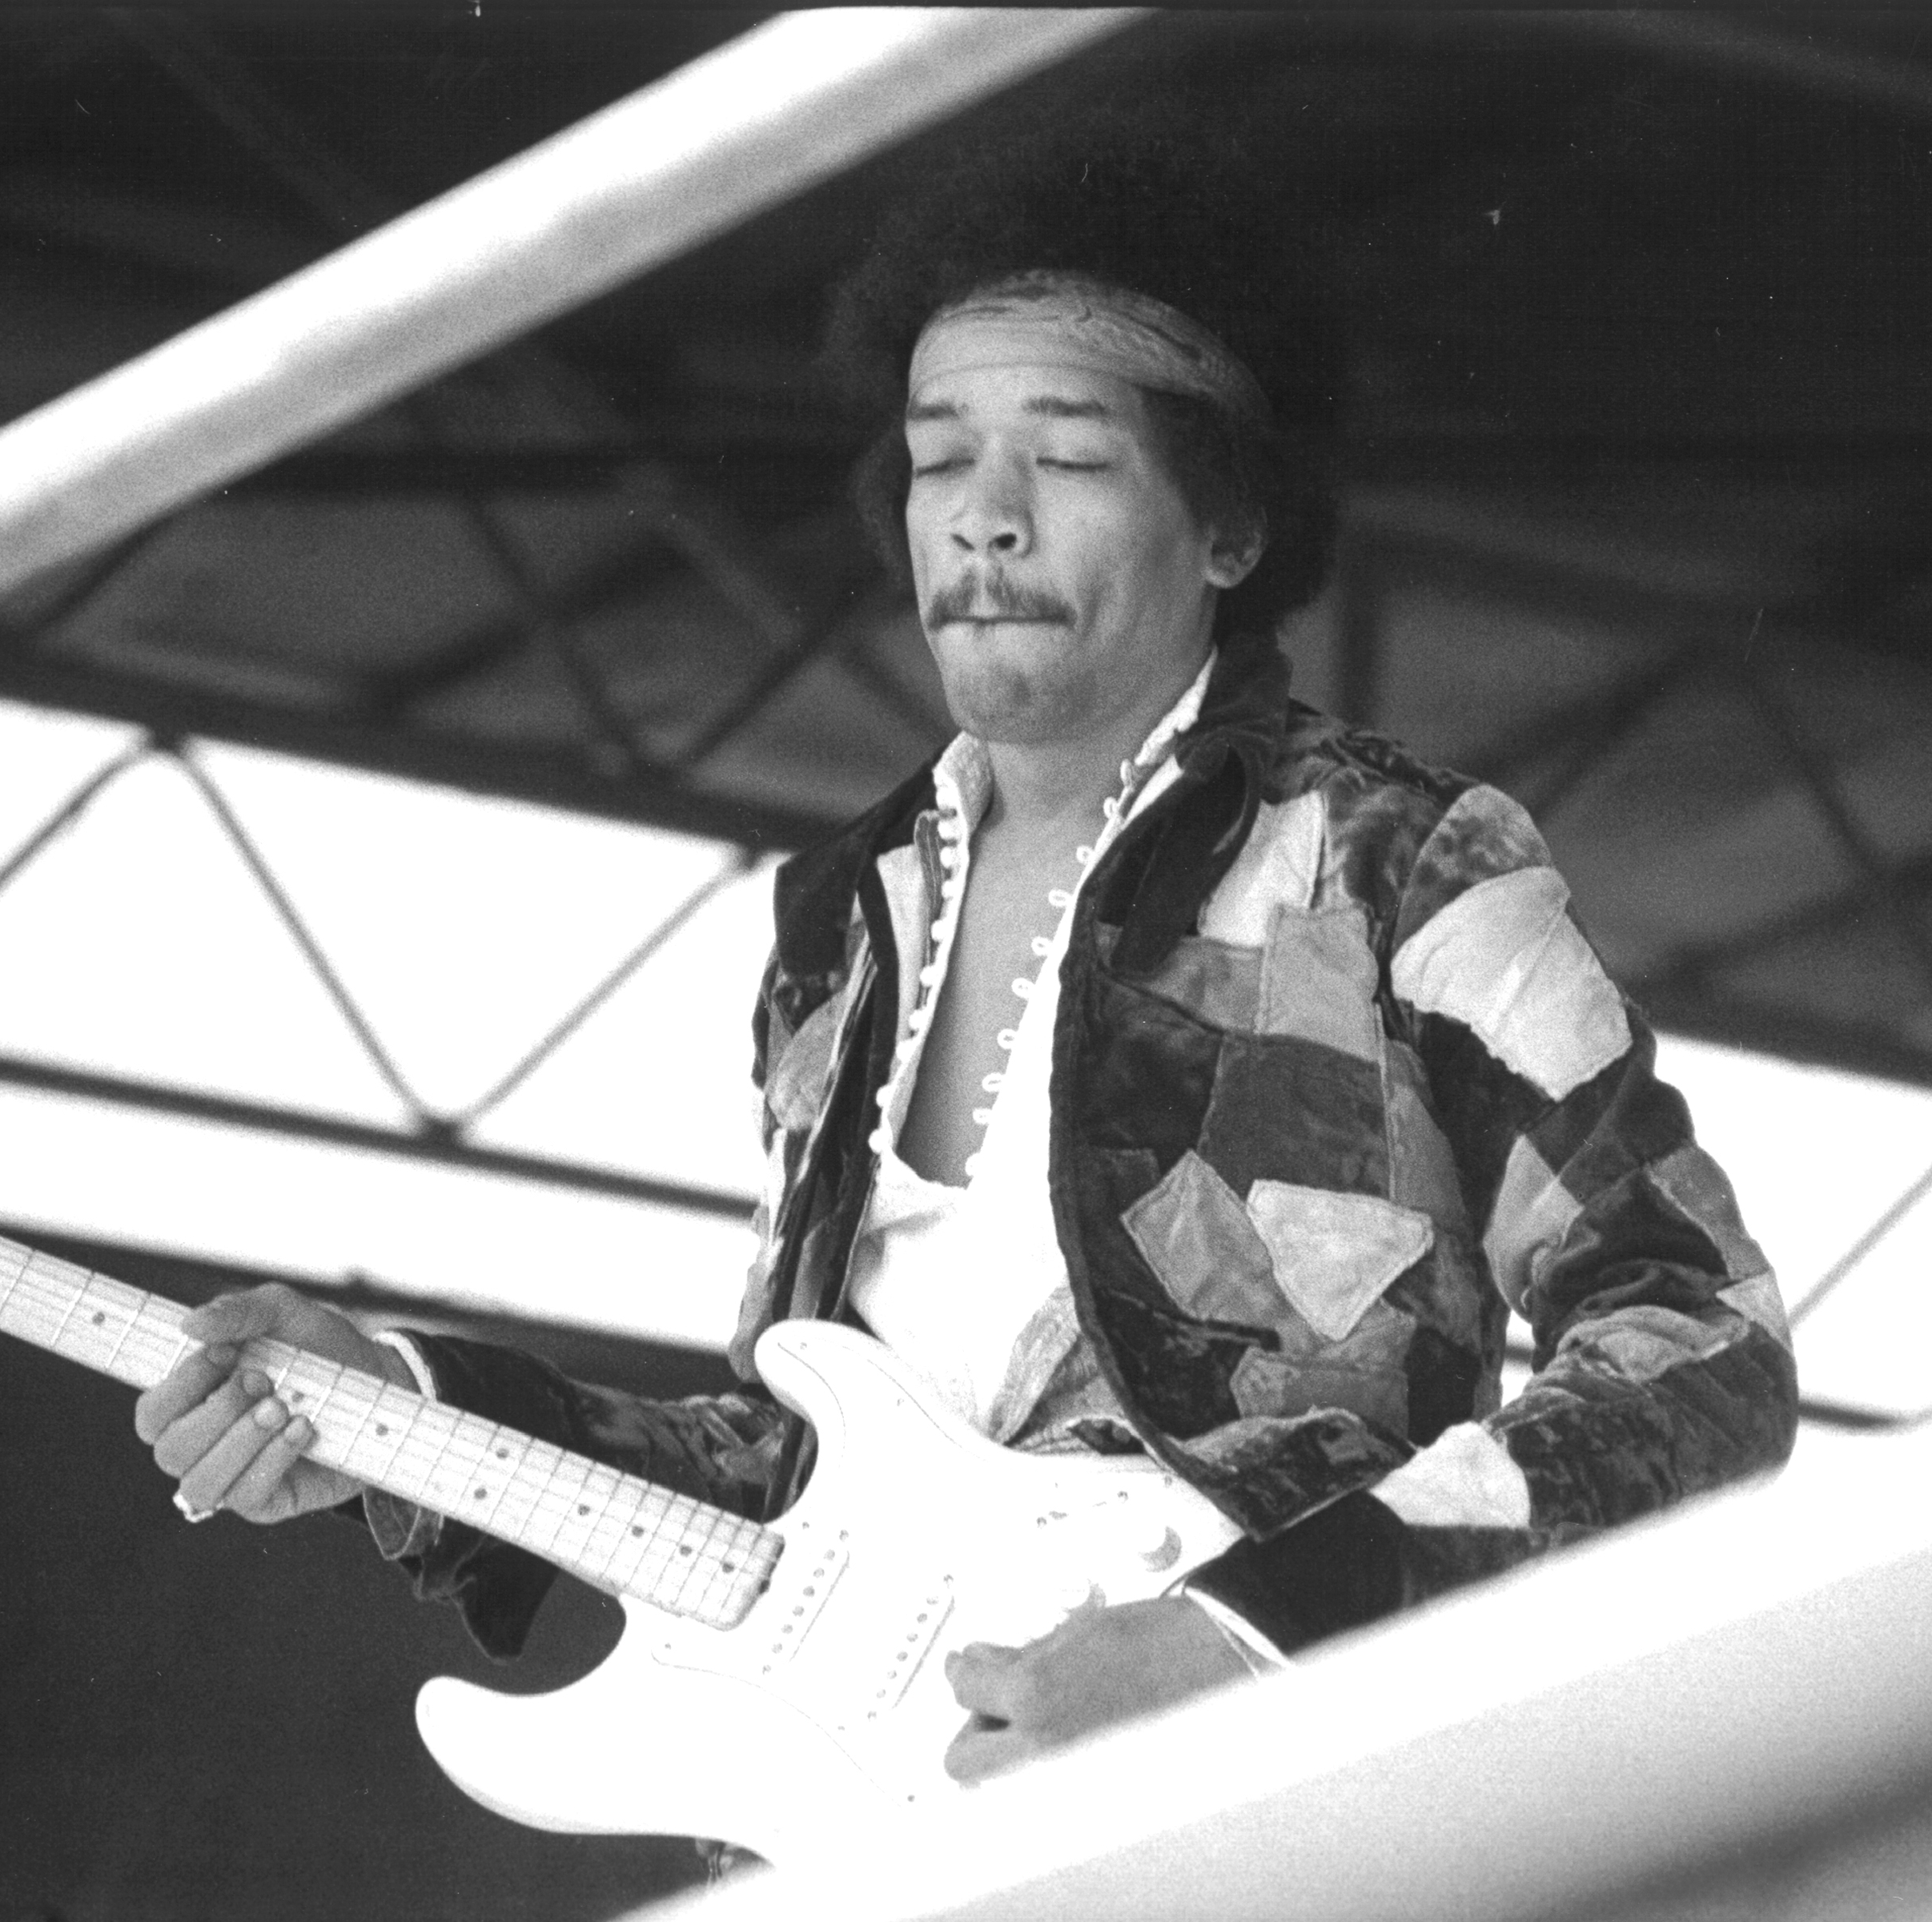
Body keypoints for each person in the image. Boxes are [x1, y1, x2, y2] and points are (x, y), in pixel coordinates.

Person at [135, 119, 1796, 1797]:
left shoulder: (1399, 864)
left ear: (1226, 531)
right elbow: (796, 1473)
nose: (985, 523)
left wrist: (1249, 1641)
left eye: (1067, 461)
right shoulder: (833, 932)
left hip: (1285, 1811)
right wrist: (400, 1413)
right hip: (891, 1825)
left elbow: (1698, 1348)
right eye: (941, 460)